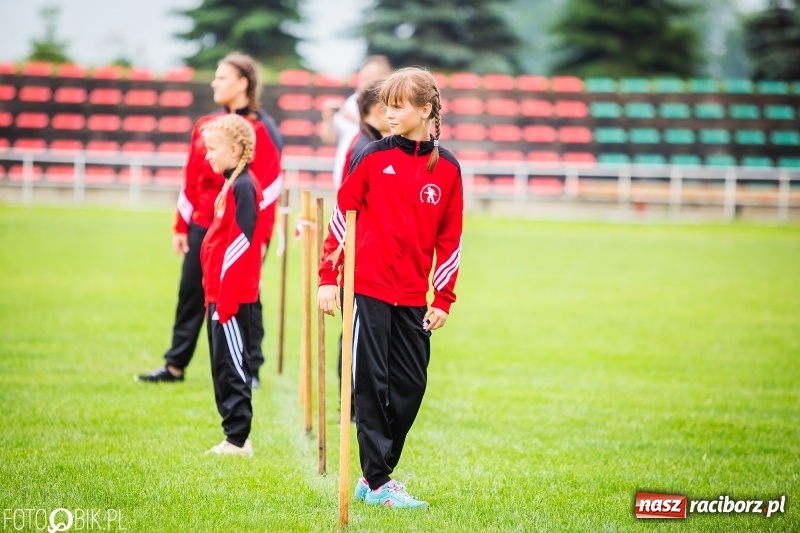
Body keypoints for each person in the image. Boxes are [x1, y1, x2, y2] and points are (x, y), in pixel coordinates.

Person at [318, 67, 464, 509]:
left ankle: (373, 473)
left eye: (399, 105)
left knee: (410, 387)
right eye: (387, 104)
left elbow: (450, 239)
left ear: (425, 109)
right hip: (368, 290)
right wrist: (329, 278)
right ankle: (380, 483)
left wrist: (443, 298)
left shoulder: (449, 169)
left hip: (414, 297)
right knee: (370, 385)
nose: (389, 112)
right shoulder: (372, 157)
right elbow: (343, 217)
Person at [136, 53, 282, 388]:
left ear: (243, 83)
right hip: (203, 224)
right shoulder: (205, 125)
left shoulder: (262, 129)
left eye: (222, 78)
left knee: (247, 296)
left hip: (241, 228)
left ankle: (251, 368)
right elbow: (191, 178)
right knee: (191, 291)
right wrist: (180, 225)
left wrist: (260, 239)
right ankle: (175, 365)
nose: (214, 83)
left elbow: (270, 190)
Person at [199, 114, 266, 457]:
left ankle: (238, 439)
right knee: (220, 365)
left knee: (232, 366)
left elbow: (240, 244)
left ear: (236, 149)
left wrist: (224, 300)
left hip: (232, 299)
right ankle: (232, 437)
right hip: (218, 295)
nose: (207, 155)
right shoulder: (232, 183)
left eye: (213, 148)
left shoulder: (243, 186)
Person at [336, 78, 391, 424]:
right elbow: (352, 206)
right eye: (390, 106)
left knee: (357, 332)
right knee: (356, 334)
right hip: (360, 255)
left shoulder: (370, 141)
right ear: (375, 110)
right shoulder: (364, 148)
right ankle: (354, 405)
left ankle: (356, 403)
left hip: (364, 253)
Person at [319, 55, 392, 189]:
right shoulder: (351, 101)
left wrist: (353, 117)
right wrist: (328, 120)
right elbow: (329, 139)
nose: (364, 82)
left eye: (370, 77)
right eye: (362, 77)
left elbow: (387, 132)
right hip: (345, 172)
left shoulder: (389, 104)